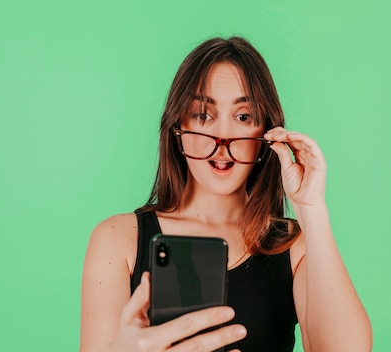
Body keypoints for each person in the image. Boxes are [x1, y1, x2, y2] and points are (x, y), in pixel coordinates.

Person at [80, 36, 372, 351]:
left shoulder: (292, 245)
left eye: (243, 117)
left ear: (266, 133)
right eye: (203, 115)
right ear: (177, 130)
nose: (222, 135)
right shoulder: (117, 238)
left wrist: (311, 207)